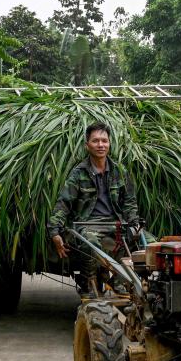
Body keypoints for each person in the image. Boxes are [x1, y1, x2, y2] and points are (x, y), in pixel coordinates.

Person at [47, 122, 139, 297]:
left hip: (116, 224)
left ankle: (118, 281)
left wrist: (135, 226)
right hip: (87, 225)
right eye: (95, 141)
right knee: (91, 242)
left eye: (104, 140)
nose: (100, 145)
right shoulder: (78, 173)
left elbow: (130, 203)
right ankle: (89, 284)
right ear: (87, 145)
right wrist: (54, 232)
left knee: (147, 242)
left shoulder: (120, 171)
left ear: (110, 143)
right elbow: (63, 203)